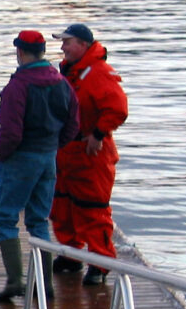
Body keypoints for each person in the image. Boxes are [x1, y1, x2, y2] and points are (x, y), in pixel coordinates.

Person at [0, 30, 79, 303]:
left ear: (20, 52)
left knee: (5, 220)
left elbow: (11, 132)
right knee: (39, 220)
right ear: (42, 52)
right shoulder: (61, 83)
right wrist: (54, 146)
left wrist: (1, 153)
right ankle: (45, 284)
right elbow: (73, 123)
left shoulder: (18, 86)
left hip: (20, 158)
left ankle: (15, 281)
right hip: (47, 156)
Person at [50, 23, 128, 285]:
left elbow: (117, 109)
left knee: (92, 209)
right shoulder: (70, 72)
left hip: (90, 152)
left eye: (67, 42)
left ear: (82, 45)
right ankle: (71, 255)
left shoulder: (99, 73)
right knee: (62, 205)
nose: (62, 47)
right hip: (67, 150)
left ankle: (101, 263)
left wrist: (97, 134)